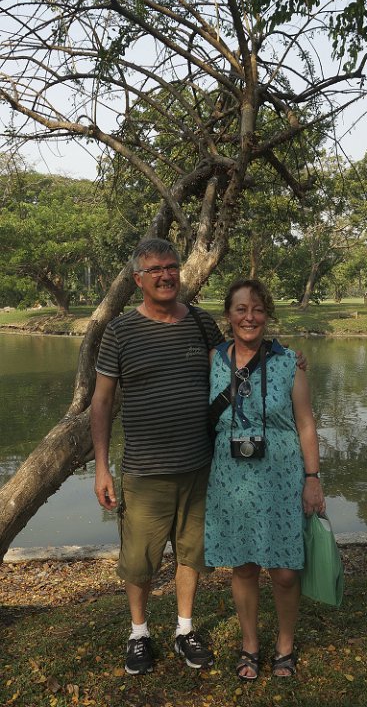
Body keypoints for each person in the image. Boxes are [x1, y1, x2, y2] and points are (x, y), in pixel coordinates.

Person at [90, 237, 224, 675]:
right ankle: (139, 633)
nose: (166, 276)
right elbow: (102, 403)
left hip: (200, 466)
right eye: (155, 270)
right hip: (145, 472)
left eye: (171, 267)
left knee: (191, 554)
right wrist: (102, 467)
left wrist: (285, 359)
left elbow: (234, 372)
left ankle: (185, 629)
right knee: (139, 561)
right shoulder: (120, 331)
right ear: (138, 280)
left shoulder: (202, 324)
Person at [204, 278, 325, 680]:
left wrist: (313, 478)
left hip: (282, 476)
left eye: (257, 309)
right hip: (231, 477)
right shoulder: (214, 359)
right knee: (244, 566)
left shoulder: (289, 362)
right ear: (228, 315)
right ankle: (250, 644)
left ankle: (285, 646)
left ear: (267, 315)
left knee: (285, 570)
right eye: (241, 309)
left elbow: (306, 424)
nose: (249, 317)